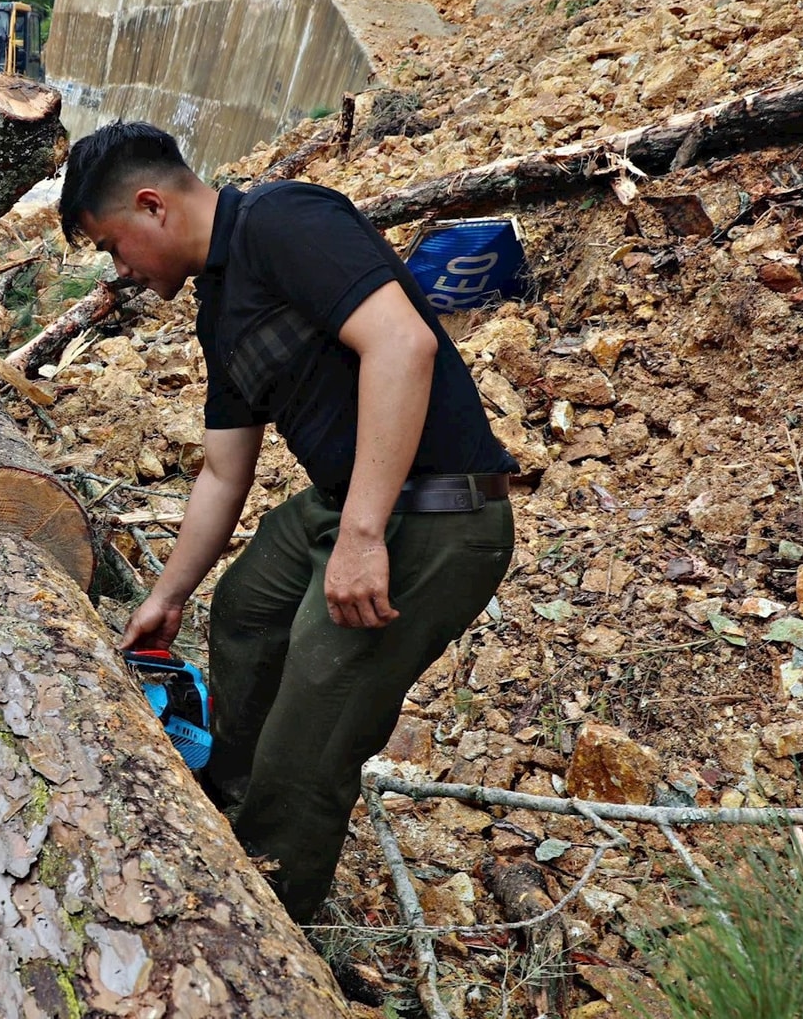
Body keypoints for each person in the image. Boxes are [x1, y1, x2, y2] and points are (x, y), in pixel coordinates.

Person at [60, 121, 517, 922]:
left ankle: (266, 914)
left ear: (150, 205)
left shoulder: (285, 220)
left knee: (310, 736)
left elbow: (403, 345)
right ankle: (226, 799)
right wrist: (168, 596)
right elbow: (224, 468)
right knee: (247, 607)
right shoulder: (219, 303)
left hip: (442, 510)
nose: (119, 269)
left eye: (111, 245)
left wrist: (364, 536)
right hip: (351, 502)